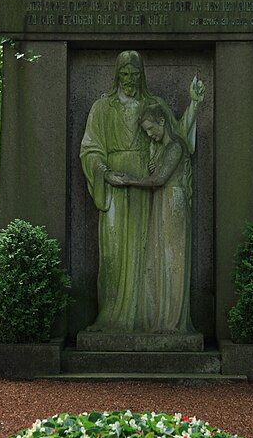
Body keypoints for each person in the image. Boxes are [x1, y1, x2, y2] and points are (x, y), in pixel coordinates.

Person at [80, 50, 204, 333]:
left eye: (134, 75)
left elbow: (179, 139)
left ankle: (143, 318)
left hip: (148, 190)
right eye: (124, 75)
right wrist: (103, 170)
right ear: (116, 76)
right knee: (113, 253)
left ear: (142, 76)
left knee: (147, 255)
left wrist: (195, 105)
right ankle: (110, 317)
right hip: (112, 187)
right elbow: (89, 149)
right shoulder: (102, 108)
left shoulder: (154, 105)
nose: (129, 80)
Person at [110, 101, 203, 333]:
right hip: (162, 202)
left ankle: (173, 322)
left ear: (162, 121)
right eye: (146, 131)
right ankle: (161, 320)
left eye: (151, 128)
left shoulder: (175, 147)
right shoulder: (162, 149)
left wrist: (127, 180)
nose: (150, 134)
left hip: (173, 203)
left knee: (173, 261)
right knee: (160, 260)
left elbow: (159, 180)